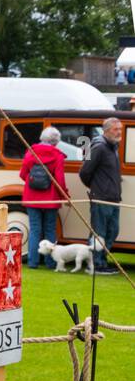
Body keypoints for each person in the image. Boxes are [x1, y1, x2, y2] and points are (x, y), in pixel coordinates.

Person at [18, 126, 68, 269]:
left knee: (34, 230)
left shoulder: (30, 153)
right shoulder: (58, 156)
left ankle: (33, 263)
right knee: (50, 230)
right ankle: (50, 262)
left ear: (41, 138)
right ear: (56, 142)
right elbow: (59, 180)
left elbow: (22, 174)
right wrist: (65, 195)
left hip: (32, 198)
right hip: (50, 199)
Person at [79, 116, 123, 273]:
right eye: (115, 129)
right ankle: (96, 264)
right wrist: (97, 188)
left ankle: (101, 260)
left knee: (113, 231)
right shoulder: (98, 146)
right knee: (100, 233)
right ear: (106, 130)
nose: (119, 132)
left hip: (113, 198)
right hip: (101, 198)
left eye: (120, 129)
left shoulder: (113, 146)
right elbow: (84, 172)